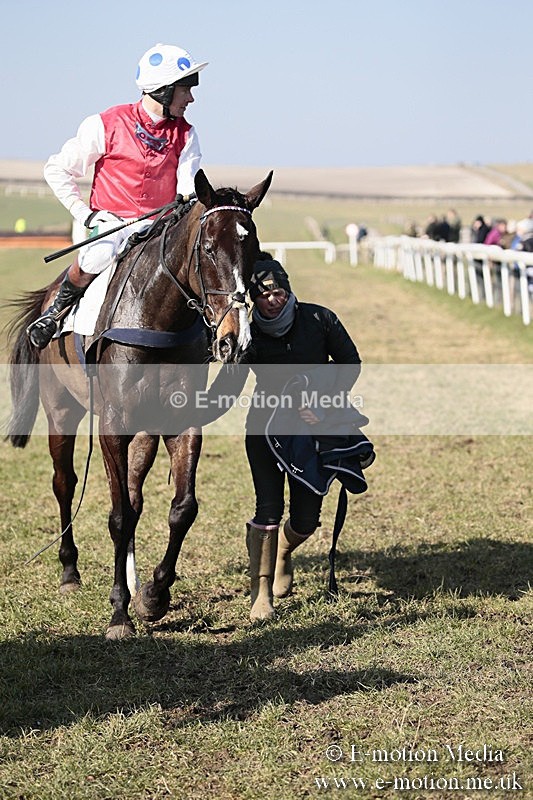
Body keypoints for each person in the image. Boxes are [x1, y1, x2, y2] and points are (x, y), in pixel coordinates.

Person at [27, 43, 207, 349]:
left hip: (160, 227)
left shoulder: (186, 134)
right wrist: (86, 214)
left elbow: (188, 184)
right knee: (97, 254)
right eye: (185, 89)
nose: (191, 97)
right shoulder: (104, 124)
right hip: (111, 224)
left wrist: (188, 199)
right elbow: (56, 169)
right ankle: (56, 313)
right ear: (163, 90)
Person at [242, 258, 367, 621]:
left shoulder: (319, 319)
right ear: (253, 299)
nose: (272, 301)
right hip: (264, 426)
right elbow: (230, 386)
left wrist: (322, 401)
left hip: (313, 424)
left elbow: (350, 363)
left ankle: (282, 549)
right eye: (263, 295)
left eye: (278, 292)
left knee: (306, 520)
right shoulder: (247, 333)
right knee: (267, 509)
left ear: (288, 290)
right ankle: (260, 592)